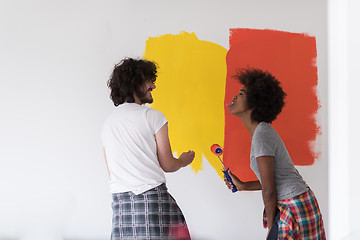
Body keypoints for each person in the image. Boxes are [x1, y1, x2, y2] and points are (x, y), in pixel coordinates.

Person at [224, 68, 326, 239]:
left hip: (295, 206)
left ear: (254, 103)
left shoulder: (261, 133)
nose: (235, 97)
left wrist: (271, 229)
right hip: (296, 202)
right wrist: (242, 185)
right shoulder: (260, 132)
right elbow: (273, 181)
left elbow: (270, 190)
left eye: (241, 93)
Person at [102, 58, 195, 240]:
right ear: (135, 83)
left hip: (121, 203)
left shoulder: (108, 123)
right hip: (152, 201)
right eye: (149, 81)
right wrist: (183, 160)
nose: (153, 86)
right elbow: (167, 164)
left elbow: (111, 172)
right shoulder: (153, 117)